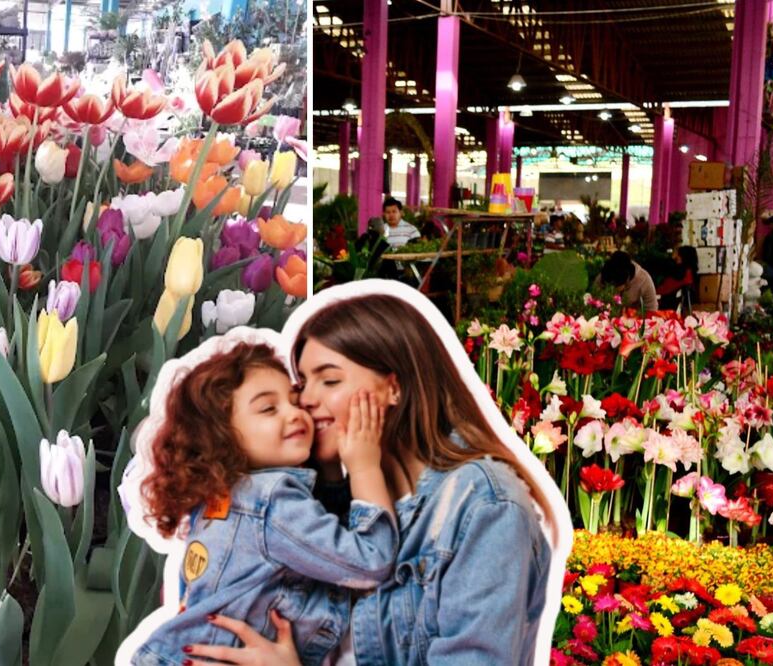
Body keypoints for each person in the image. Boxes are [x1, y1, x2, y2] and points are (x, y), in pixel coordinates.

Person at [184, 283, 570, 666]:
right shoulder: (318, 505)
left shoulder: (483, 507)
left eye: (330, 380)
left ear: (394, 388)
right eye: (302, 383)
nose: (305, 401)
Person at [133, 342, 398, 666]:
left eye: (292, 399)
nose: (297, 413)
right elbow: (369, 563)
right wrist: (364, 467)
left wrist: (329, 471)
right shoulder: (269, 502)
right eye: (268, 409)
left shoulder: (219, 502)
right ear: (222, 435)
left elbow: (319, 536)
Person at [657, 246, 699, 311]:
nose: (676, 257)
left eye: (678, 255)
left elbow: (665, 289)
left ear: (684, 257)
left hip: (667, 304)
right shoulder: (689, 272)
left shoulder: (679, 272)